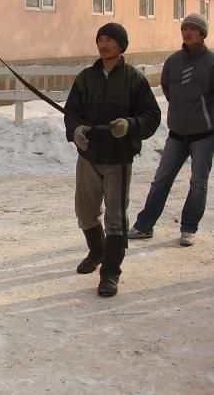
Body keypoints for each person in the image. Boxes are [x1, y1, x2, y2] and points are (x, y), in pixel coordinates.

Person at [64, 23, 161, 297]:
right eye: (100, 39)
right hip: (88, 156)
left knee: (116, 219)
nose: (103, 44)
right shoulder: (85, 78)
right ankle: (97, 251)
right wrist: (76, 131)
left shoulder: (134, 79)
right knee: (85, 212)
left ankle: (110, 273)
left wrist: (130, 126)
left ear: (121, 45)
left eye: (109, 40)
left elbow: (151, 117)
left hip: (118, 158)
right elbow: (71, 113)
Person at [129, 13, 214, 246]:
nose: (187, 32)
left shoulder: (211, 62)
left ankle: (188, 228)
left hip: (203, 136)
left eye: (193, 29)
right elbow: (167, 89)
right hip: (176, 133)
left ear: (202, 34)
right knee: (160, 181)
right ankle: (144, 225)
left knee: (198, 183)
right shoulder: (173, 61)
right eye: (184, 28)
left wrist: (203, 116)